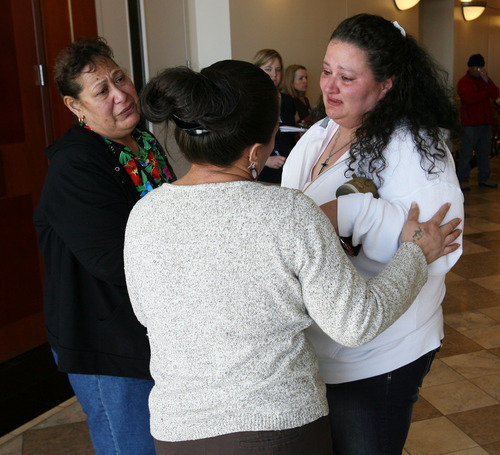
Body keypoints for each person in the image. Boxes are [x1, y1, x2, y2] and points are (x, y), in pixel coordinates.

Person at [124, 59, 461, 455]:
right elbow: (356, 322)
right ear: (255, 152)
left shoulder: (145, 212)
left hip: (177, 432)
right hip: (275, 431)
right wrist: (414, 254)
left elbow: (146, 313)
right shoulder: (287, 213)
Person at [282, 14, 465, 455]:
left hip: (380, 350)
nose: (329, 86)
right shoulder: (320, 134)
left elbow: (438, 249)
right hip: (323, 340)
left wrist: (348, 215)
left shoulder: (416, 151)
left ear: (386, 85)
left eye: (346, 77)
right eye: (326, 71)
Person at [33, 37, 175, 455]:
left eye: (120, 78)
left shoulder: (144, 143)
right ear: (74, 106)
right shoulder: (75, 164)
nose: (121, 94)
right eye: (102, 91)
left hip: (149, 327)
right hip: (105, 341)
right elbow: (116, 261)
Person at [252, 49, 298, 183]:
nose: (274, 74)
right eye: (268, 69)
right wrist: (267, 160)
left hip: (289, 169)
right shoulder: (252, 101)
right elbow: (246, 141)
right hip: (264, 170)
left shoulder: (287, 100)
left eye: (278, 70)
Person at [456, 53, 499, 190]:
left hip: (485, 123)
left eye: (481, 67)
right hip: (470, 124)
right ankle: (462, 180)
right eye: (476, 67)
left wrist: (487, 81)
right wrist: (486, 93)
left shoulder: (485, 81)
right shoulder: (464, 82)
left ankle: (484, 178)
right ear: (470, 67)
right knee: (466, 153)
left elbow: (496, 94)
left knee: (484, 152)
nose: (478, 70)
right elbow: (469, 99)